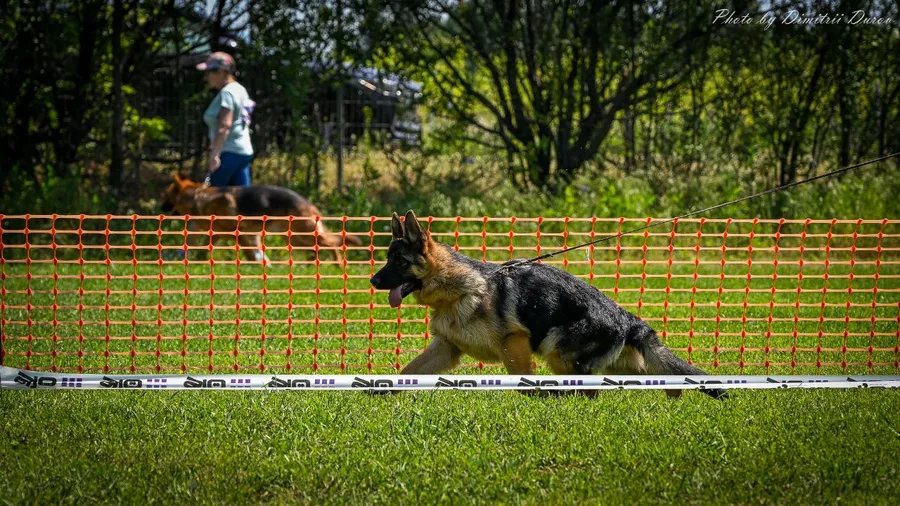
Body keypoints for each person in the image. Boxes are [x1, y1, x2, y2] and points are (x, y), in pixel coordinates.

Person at [197, 52, 256, 187]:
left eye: (208, 73)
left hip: (228, 153)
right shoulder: (241, 90)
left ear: (221, 72)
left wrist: (214, 155)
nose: (206, 78)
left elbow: (225, 125)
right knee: (240, 202)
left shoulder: (227, 93)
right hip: (243, 152)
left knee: (210, 200)